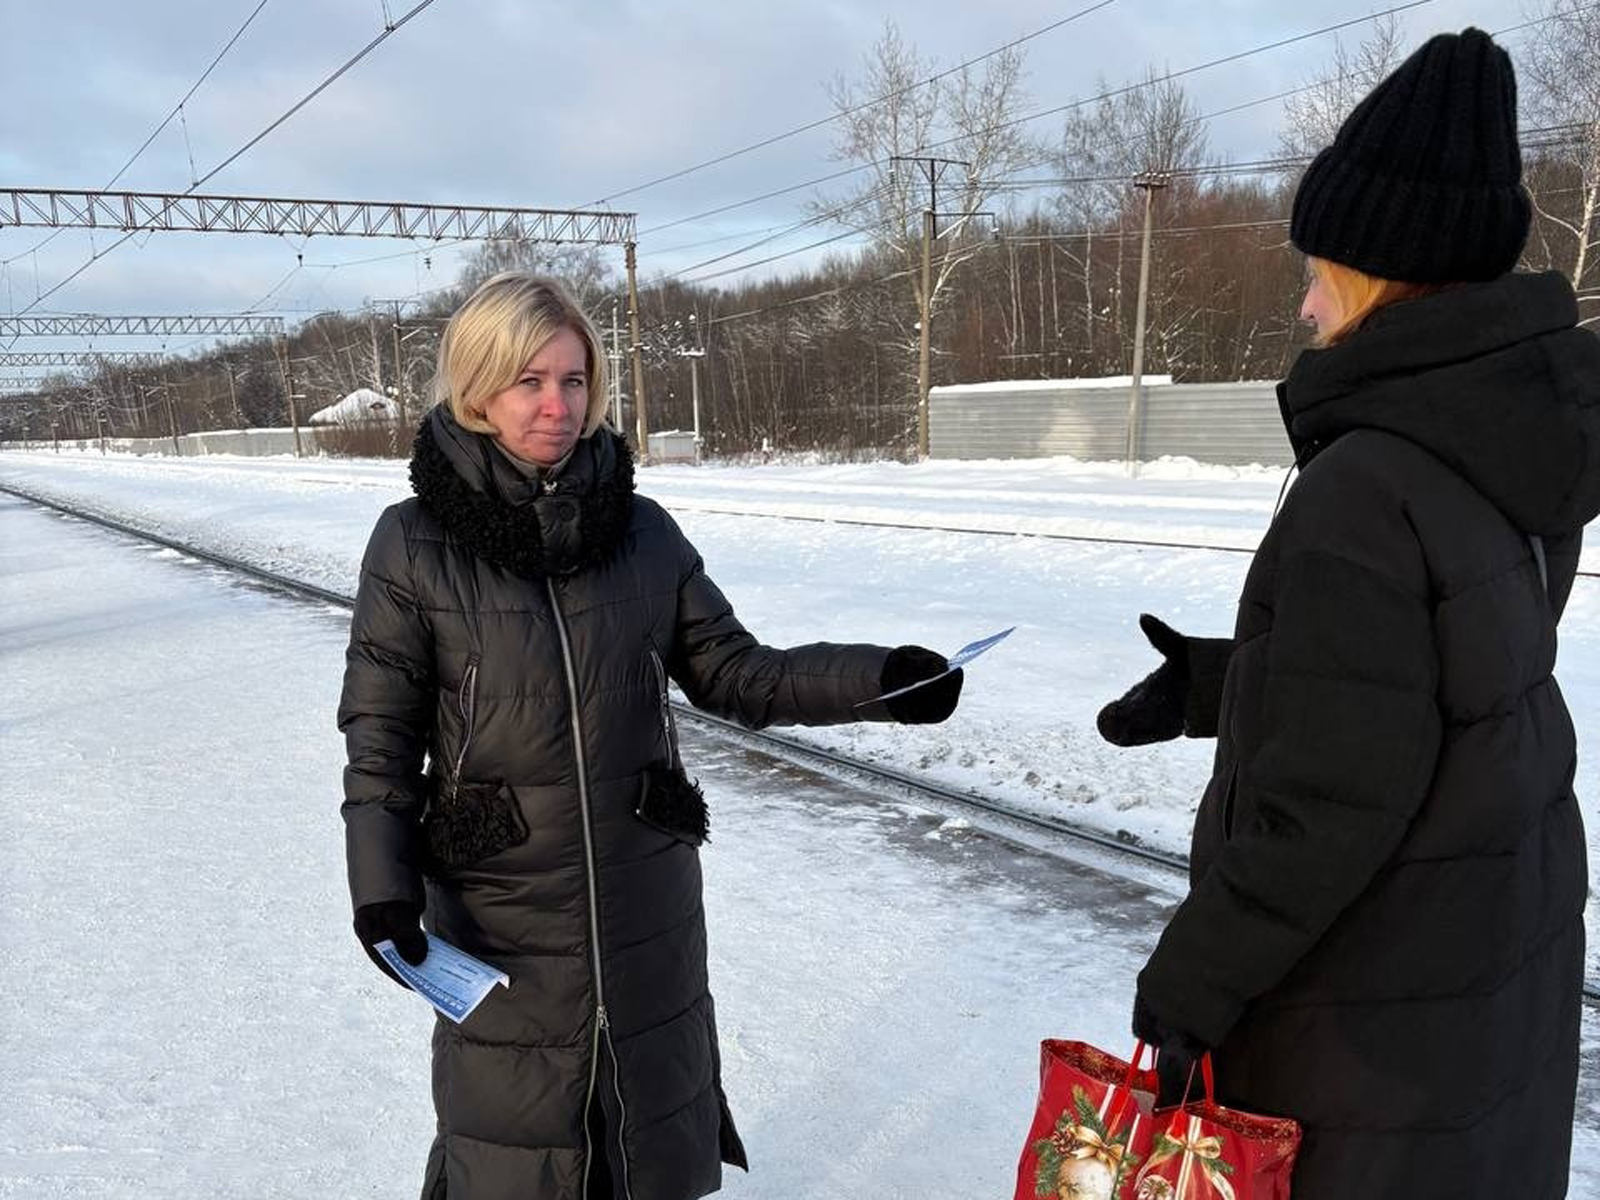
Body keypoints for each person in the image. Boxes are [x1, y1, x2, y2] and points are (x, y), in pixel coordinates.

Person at [1099, 29, 1599, 1197]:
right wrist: (1231, 684)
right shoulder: (1514, 436)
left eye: (1321, 263)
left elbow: (1326, 810)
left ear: (1383, 271)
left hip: (1363, 1015)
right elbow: (1451, 665)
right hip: (1482, 966)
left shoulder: (1363, 483)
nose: (1306, 293)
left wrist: (1189, 988)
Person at [337, 272, 963, 1200]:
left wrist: (880, 679)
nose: (558, 405)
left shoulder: (643, 531)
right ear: (477, 390)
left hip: (646, 892)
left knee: (648, 1130)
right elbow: (379, 740)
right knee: (515, 1144)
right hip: (502, 903)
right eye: (530, 382)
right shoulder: (413, 543)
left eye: (575, 380)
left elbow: (735, 672)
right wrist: (381, 892)